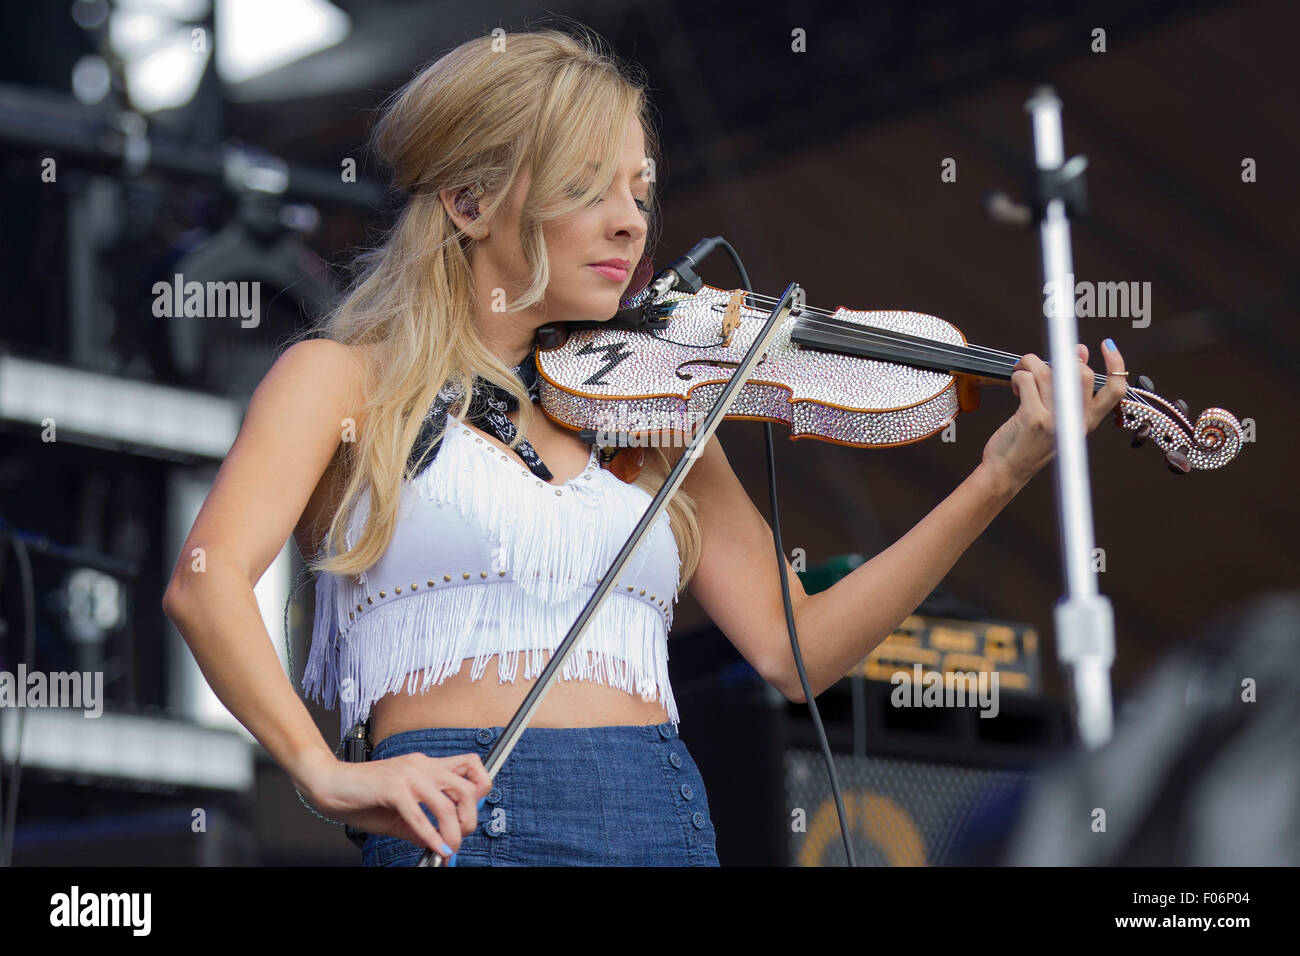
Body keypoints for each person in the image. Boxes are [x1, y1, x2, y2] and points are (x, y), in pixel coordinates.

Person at [161, 26, 1129, 867]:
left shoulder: (647, 408)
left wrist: (999, 474)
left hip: (662, 816)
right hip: (462, 824)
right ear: (467, 200)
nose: (631, 218)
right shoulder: (341, 380)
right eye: (589, 186)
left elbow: (798, 651)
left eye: (640, 187)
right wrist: (320, 769)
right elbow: (205, 582)